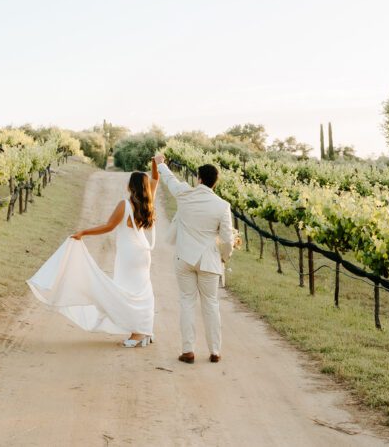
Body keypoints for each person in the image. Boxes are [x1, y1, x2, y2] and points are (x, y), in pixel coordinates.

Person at [27, 164, 159, 347]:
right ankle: (145, 330)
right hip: (143, 253)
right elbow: (155, 179)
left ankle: (138, 333)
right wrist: (156, 162)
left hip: (128, 254)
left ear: (131, 186)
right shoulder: (148, 203)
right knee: (141, 290)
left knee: (126, 293)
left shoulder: (125, 205)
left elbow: (108, 226)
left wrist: (83, 232)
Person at [153, 153, 236, 364]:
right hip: (209, 260)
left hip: (184, 258)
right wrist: (224, 257)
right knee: (211, 304)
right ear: (215, 183)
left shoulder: (184, 194)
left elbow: (170, 180)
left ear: (198, 178)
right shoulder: (222, 206)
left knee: (187, 302)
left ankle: (188, 351)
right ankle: (215, 351)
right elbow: (227, 239)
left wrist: (160, 164)